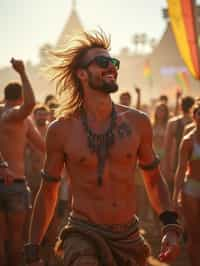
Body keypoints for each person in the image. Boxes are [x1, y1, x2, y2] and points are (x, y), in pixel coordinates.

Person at [26, 29, 182, 266]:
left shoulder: (137, 122)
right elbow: (48, 192)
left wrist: (170, 224)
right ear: (82, 74)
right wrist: (33, 246)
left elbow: (152, 178)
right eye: (102, 62)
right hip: (82, 232)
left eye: (113, 62)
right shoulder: (61, 130)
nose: (112, 67)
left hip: (128, 235)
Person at [0, 58, 45, 266]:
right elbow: (30, 105)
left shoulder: (20, 119)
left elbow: (44, 146)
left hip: (13, 184)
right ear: (19, 97)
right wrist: (23, 72)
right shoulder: (11, 115)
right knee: (15, 240)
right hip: (13, 185)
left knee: (6, 240)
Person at [173, 103, 200, 266]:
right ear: (194, 116)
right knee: (194, 233)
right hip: (191, 190)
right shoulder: (188, 141)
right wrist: (175, 196)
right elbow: (181, 169)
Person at [163, 96, 195, 195]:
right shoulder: (194, 123)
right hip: (189, 164)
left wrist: (167, 167)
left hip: (177, 163)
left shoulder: (173, 123)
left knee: (173, 194)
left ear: (181, 106)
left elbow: (166, 148)